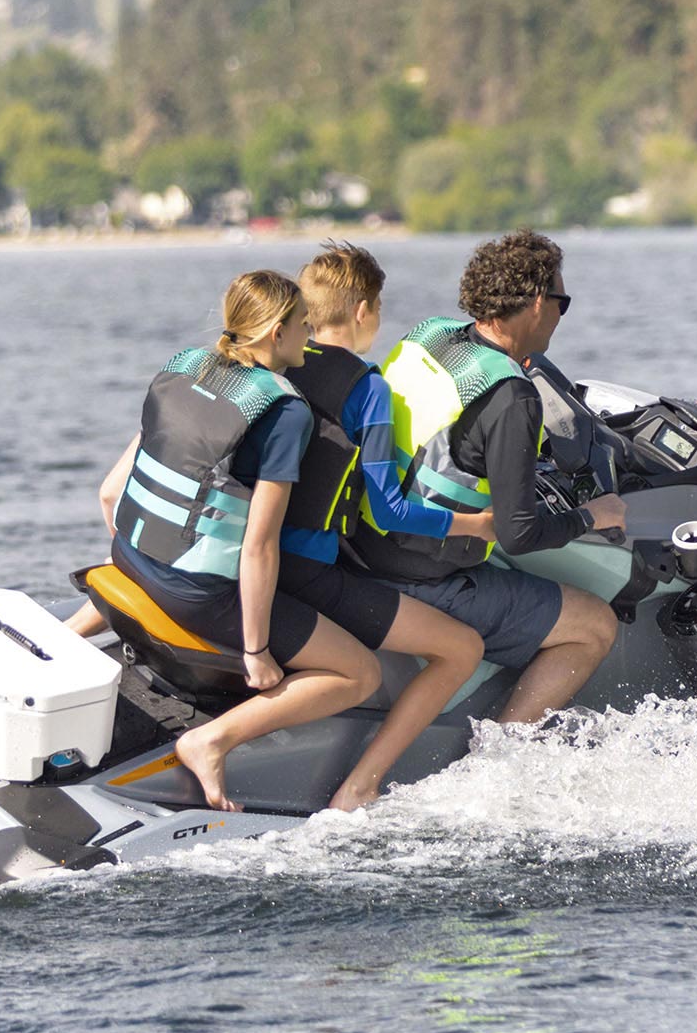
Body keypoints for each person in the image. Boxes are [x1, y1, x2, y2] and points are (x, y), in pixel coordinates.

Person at [83, 268, 395, 811]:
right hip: (196, 591)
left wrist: (139, 551)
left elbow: (111, 491)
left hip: (128, 554)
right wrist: (256, 653)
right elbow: (258, 548)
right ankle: (211, 741)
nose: (311, 334)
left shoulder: (186, 365)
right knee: (359, 672)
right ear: (277, 332)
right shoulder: (284, 412)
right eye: (303, 325)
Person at [343, 229, 625, 730]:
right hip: (421, 573)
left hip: (361, 543)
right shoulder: (512, 397)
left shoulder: (430, 335)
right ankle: (501, 753)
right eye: (563, 301)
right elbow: (520, 535)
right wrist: (593, 515)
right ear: (538, 302)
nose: (561, 314)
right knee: (594, 623)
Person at [281, 241, 489, 811]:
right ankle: (361, 786)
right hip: (310, 571)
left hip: (260, 559)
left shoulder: (276, 362)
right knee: (460, 649)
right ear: (364, 311)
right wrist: (478, 523)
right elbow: (390, 509)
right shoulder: (366, 388)